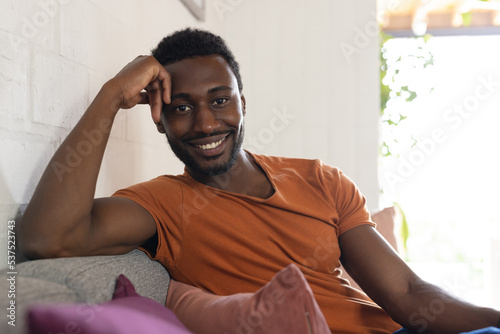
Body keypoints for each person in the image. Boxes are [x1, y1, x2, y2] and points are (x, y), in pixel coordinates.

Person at [19, 28, 500, 333]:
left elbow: (408, 296)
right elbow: (45, 239)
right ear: (158, 118)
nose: (206, 124)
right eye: (181, 107)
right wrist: (110, 96)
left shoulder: (321, 180)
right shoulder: (161, 205)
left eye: (220, 100)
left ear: (243, 103)